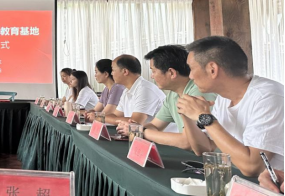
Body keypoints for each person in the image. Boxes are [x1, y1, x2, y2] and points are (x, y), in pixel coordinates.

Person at [177, 36, 284, 176]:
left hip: (274, 187)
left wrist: (205, 117)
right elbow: (204, 148)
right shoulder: (223, 98)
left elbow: (252, 167)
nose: (190, 76)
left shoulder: (268, 96)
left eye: (191, 68)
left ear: (212, 69)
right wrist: (186, 114)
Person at [116, 45, 217, 149]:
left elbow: (188, 141)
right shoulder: (173, 95)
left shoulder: (198, 92)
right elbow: (155, 126)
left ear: (171, 73)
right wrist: (134, 128)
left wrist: (142, 131)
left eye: (154, 71)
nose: (152, 76)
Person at [103, 55, 165, 126]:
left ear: (125, 71)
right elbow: (115, 115)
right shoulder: (127, 90)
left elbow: (135, 123)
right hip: (139, 132)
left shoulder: (145, 89)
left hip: (155, 133)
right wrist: (105, 118)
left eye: (113, 70)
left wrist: (103, 118)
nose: (111, 73)